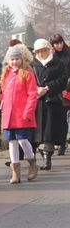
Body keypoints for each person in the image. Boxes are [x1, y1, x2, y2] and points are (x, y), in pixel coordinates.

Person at [0, 46, 39, 183]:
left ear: (21, 60)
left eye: (16, 59)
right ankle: (15, 172)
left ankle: (32, 163)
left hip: (22, 114)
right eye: (12, 59)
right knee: (12, 142)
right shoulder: (6, 75)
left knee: (22, 140)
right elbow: (3, 94)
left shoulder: (27, 73)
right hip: (9, 114)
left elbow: (32, 94)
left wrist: (28, 112)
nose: (14, 62)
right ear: (8, 60)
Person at [31, 38, 69, 170]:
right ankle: (33, 158)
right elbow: (29, 80)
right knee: (35, 132)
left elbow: (63, 79)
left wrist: (47, 88)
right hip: (36, 101)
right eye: (39, 51)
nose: (41, 53)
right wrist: (36, 89)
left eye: (44, 50)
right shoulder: (32, 64)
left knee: (49, 131)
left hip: (52, 101)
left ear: (49, 50)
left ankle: (47, 159)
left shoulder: (57, 63)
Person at [49, 33, 70, 155]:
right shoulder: (52, 57)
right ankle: (59, 142)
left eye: (60, 42)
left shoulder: (68, 55)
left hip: (68, 89)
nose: (59, 45)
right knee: (58, 118)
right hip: (57, 90)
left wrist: (66, 88)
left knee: (65, 117)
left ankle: (62, 142)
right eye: (56, 43)